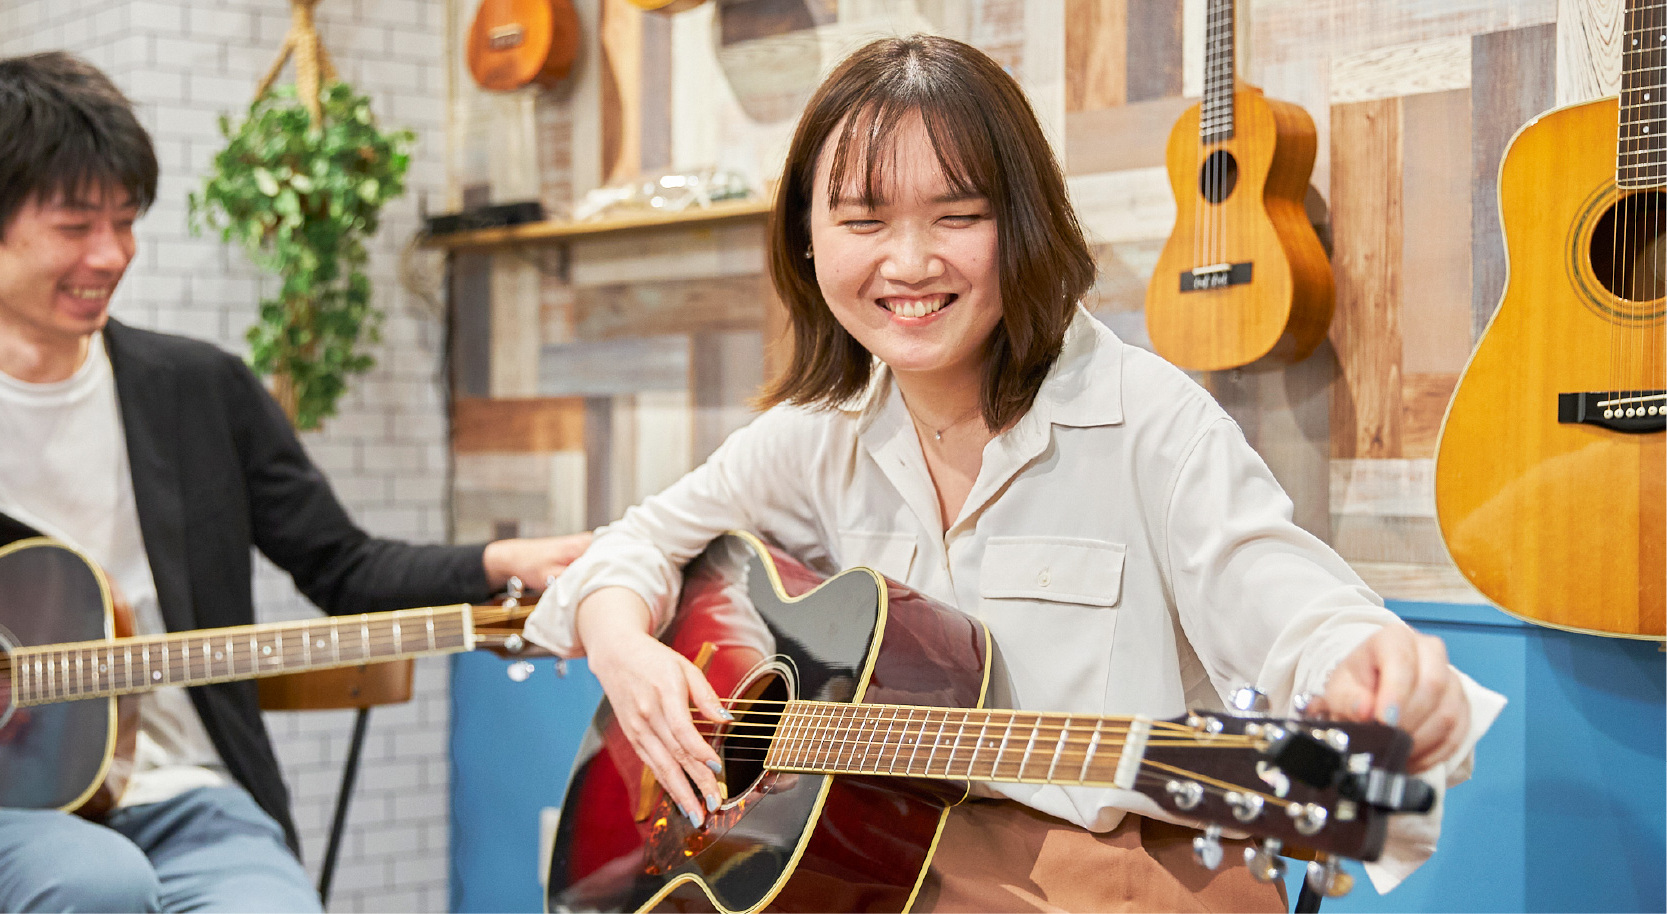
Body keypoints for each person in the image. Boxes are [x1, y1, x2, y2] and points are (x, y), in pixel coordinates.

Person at [523, 34, 1504, 912]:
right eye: (863, 220)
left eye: (955, 215)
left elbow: (1285, 600)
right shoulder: (813, 436)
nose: (907, 262)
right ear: (807, 240)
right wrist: (625, 650)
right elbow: (637, 544)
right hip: (890, 865)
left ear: (1022, 222)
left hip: (1129, 868)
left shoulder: (1147, 420)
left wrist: (1373, 672)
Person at [0, 51, 587, 913]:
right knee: (99, 889)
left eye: (126, 222)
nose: (112, 254)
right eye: (74, 226)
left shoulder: (199, 390)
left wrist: (509, 561)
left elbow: (344, 567)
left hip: (191, 798)